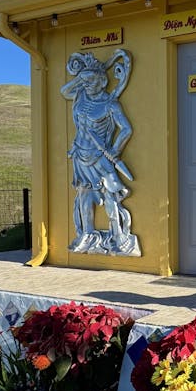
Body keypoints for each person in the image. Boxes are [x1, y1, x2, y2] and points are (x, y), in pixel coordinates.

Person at [60, 49, 140, 257]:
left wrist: (114, 150)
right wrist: (84, 74)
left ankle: (119, 236)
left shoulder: (110, 104)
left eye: (91, 81)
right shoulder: (80, 97)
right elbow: (64, 91)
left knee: (110, 196)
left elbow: (126, 129)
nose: (86, 85)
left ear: (103, 82)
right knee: (84, 195)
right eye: (84, 81)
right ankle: (87, 233)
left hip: (100, 157)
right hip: (80, 154)